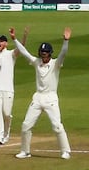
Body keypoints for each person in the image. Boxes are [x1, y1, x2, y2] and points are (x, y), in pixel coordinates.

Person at [10, 27, 72, 160]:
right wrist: (14, 39)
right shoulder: (36, 62)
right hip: (37, 97)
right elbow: (24, 52)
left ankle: (65, 151)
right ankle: (25, 151)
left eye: (45, 52)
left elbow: (63, 53)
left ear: (50, 53)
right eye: (42, 52)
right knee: (26, 125)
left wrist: (66, 41)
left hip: (51, 98)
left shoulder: (56, 64)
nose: (43, 54)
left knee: (56, 126)